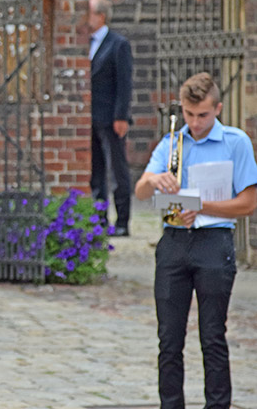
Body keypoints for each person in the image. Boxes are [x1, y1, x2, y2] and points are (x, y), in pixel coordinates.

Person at [135, 72, 257, 409]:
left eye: (203, 114)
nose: (195, 122)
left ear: (217, 108)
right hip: (174, 242)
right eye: (189, 114)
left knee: (213, 336)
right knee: (169, 340)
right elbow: (141, 191)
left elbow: (248, 202)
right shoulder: (172, 142)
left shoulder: (235, 142)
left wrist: (202, 205)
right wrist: (154, 180)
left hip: (214, 243)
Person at [88, 0, 133, 236]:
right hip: (92, 118)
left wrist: (121, 116)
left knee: (117, 171)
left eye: (89, 13)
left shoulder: (118, 44)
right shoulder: (85, 43)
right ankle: (100, 219)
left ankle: (123, 221)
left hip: (112, 117)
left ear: (100, 16)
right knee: (96, 172)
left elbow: (124, 83)